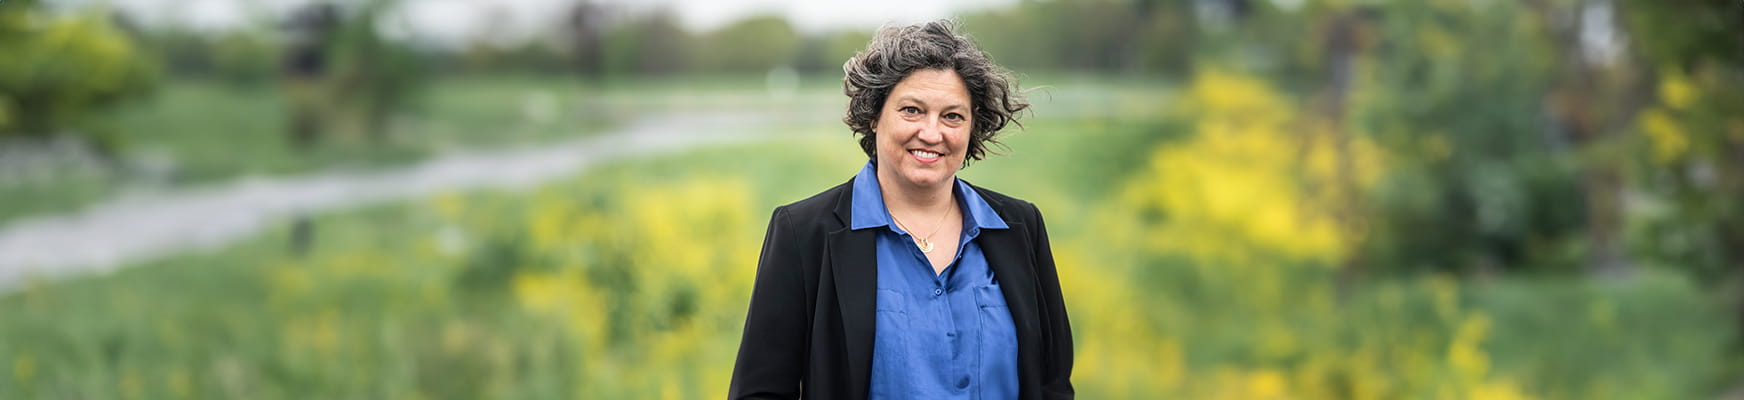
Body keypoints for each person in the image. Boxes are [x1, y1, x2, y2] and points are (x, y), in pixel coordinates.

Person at [729, 19, 1073, 400]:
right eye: (912, 110)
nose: (931, 132)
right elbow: (760, 391)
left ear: (972, 127)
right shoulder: (802, 232)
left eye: (952, 116)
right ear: (874, 115)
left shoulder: (1021, 226)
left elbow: (1052, 381)